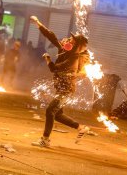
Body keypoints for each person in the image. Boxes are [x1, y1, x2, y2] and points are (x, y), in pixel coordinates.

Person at [29, 15, 90, 147]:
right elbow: (51, 36)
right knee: (57, 114)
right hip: (62, 87)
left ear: (75, 46)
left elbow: (55, 69)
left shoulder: (74, 57)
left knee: (50, 111)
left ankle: (45, 140)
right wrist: (38, 23)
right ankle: (80, 128)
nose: (67, 39)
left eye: (71, 40)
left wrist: (48, 60)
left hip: (66, 89)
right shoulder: (63, 50)